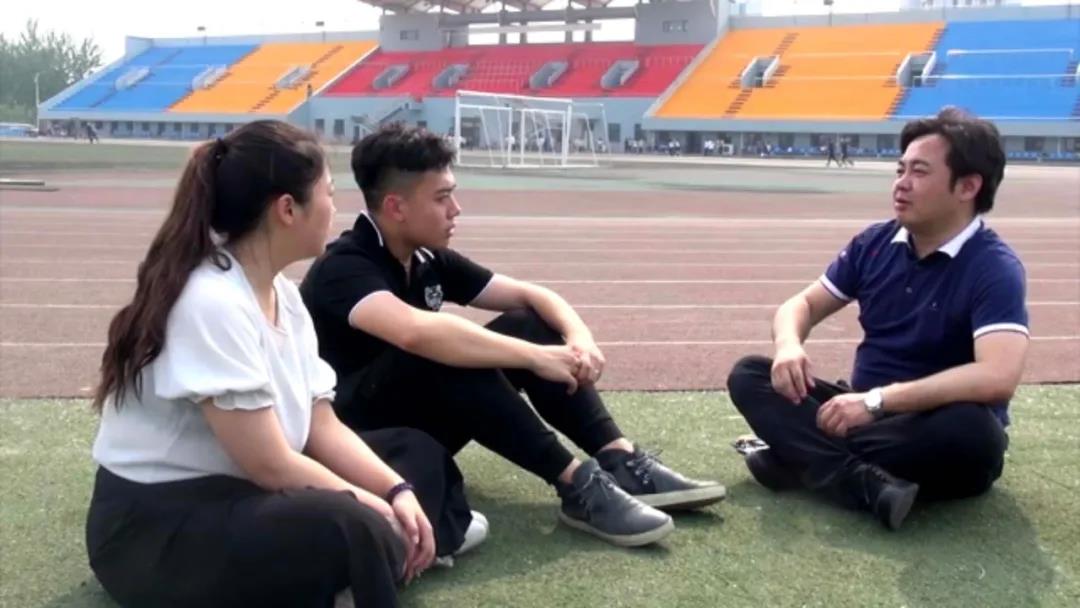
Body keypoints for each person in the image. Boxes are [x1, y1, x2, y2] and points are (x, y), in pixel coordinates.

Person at [86, 120, 482, 608]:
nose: (335, 208)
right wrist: (374, 508)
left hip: (239, 494)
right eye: (329, 194)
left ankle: (380, 554)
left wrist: (395, 490)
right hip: (158, 533)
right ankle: (382, 555)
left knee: (412, 455)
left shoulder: (284, 297)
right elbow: (270, 465)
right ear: (288, 209)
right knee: (351, 521)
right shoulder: (211, 302)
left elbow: (321, 425)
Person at [300, 124, 725, 548]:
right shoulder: (345, 266)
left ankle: (619, 458)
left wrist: (578, 337)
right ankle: (575, 484)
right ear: (396, 207)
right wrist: (535, 358)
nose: (456, 209)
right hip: (356, 442)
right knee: (445, 347)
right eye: (442, 198)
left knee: (526, 323)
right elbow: (415, 332)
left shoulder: (426, 257)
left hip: (414, 422)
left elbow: (531, 295)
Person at [726, 108, 1027, 530]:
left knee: (973, 432)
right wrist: (789, 345)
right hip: (860, 413)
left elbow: (997, 377)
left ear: (967, 186)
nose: (901, 183)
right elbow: (802, 305)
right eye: (900, 169)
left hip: (928, 426)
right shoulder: (875, 243)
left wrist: (876, 402)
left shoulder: (993, 267)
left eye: (919, 172)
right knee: (750, 375)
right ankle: (861, 481)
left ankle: (799, 458)